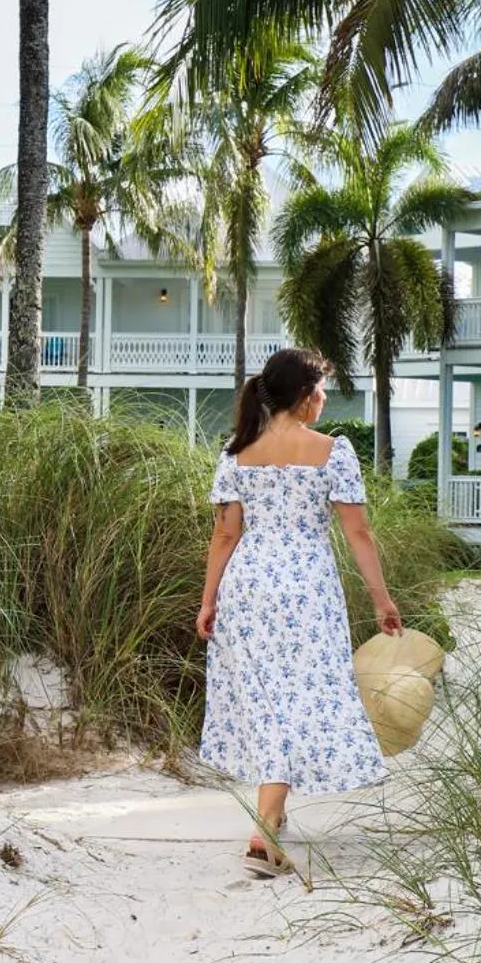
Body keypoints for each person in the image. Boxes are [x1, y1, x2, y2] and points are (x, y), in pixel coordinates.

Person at [195, 347, 403, 876]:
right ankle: (264, 833)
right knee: (298, 699)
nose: (325, 399)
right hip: (307, 588)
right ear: (308, 396)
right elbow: (358, 532)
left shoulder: (236, 452)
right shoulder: (333, 452)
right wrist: (382, 600)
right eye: (323, 389)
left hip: (248, 585)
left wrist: (208, 599)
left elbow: (225, 535)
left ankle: (275, 811)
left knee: (268, 699)